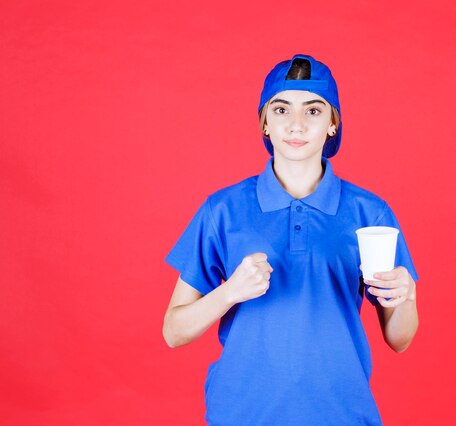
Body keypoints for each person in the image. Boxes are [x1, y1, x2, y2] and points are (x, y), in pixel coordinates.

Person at [163, 53, 419, 426]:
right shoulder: (223, 210)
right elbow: (173, 332)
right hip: (242, 414)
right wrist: (229, 292)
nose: (296, 125)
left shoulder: (370, 213)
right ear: (264, 123)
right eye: (281, 110)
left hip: (342, 414)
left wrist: (406, 294)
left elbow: (400, 339)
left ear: (333, 124)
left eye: (313, 112)